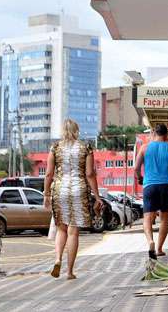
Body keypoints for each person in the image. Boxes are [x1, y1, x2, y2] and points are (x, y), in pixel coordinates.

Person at [43, 118, 103, 280]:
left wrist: (46, 194)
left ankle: (57, 259)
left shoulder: (55, 148)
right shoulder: (86, 147)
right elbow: (90, 174)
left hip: (60, 190)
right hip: (79, 189)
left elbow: (49, 174)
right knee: (73, 232)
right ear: (77, 130)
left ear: (63, 131)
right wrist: (97, 196)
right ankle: (69, 271)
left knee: (61, 228)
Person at [135, 123, 168, 259]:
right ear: (166, 135)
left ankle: (150, 241)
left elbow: (136, 168)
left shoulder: (145, 148)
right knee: (164, 219)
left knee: (147, 217)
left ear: (154, 133)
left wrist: (140, 178)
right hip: (165, 186)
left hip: (149, 186)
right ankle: (159, 248)